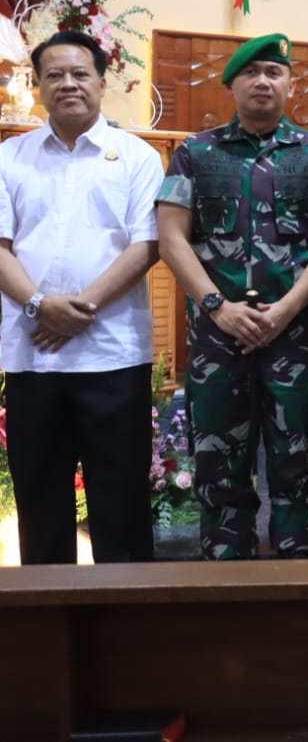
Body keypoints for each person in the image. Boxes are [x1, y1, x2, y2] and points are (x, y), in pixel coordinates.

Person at [156, 33, 308, 559]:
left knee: (295, 455)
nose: (264, 81)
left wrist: (287, 309)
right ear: (232, 84)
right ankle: (225, 564)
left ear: (289, 82)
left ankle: (297, 563)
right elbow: (171, 237)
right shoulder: (195, 155)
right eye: (252, 73)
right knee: (217, 453)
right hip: (218, 335)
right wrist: (217, 307)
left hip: (296, 335)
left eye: (274, 72)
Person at [0, 30, 161, 563]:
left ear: (101, 82)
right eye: (54, 75)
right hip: (34, 357)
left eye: (79, 74)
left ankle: (127, 627)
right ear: (39, 85)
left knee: (122, 504)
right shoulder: (10, 157)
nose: (68, 84)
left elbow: (147, 245)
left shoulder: (137, 157)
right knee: (40, 503)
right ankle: (52, 630)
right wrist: (39, 306)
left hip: (113, 356)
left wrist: (78, 309)